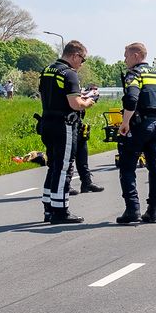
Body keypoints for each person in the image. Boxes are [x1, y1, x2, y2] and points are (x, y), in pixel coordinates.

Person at [38, 40, 98, 224]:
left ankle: (49, 208)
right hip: (64, 125)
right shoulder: (69, 74)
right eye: (83, 59)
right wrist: (89, 101)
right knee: (64, 167)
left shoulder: (47, 70)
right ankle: (60, 211)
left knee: (54, 166)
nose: (82, 63)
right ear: (74, 55)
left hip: (46, 121)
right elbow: (75, 104)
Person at [115, 42, 156, 224]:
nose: (125, 59)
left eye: (126, 55)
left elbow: (131, 99)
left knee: (127, 166)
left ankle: (132, 209)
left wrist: (125, 123)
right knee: (155, 167)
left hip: (138, 125)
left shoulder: (134, 74)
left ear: (136, 55)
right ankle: (153, 211)